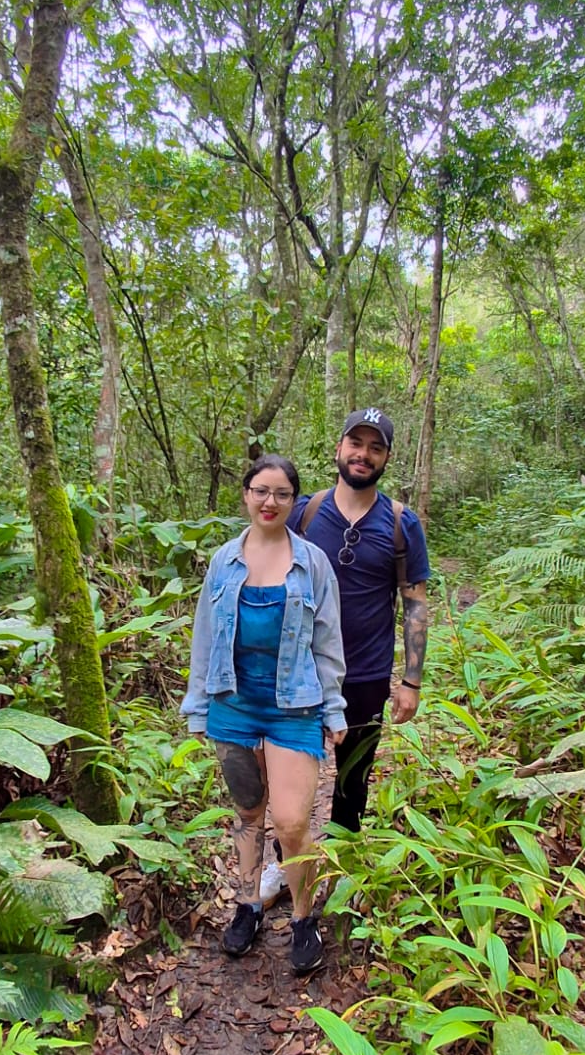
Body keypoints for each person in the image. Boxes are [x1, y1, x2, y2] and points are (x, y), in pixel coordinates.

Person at [180, 454, 347, 973]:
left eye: (280, 493)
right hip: (233, 703)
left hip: (293, 705)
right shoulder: (223, 562)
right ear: (246, 495)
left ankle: (302, 918)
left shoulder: (313, 562)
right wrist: (198, 705)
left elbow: (327, 641)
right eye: (260, 490)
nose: (269, 501)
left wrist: (334, 707)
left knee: (294, 822)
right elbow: (205, 637)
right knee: (250, 815)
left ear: (293, 501)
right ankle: (248, 904)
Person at [260, 408, 429, 903]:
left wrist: (411, 680)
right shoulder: (306, 513)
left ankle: (342, 865)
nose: (363, 454)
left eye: (375, 447)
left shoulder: (401, 524)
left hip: (366, 675)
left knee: (353, 775)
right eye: (356, 443)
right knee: (291, 778)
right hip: (298, 675)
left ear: (386, 458)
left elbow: (414, 604)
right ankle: (285, 864)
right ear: (339, 448)